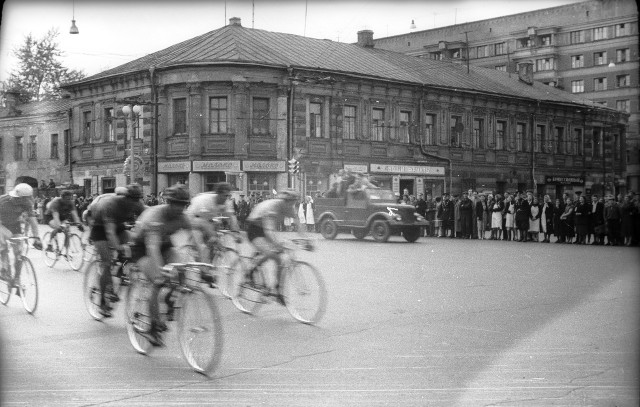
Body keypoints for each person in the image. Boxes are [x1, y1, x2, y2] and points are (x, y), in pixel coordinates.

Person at [130, 184, 199, 346]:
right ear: (168, 202)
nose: (179, 208)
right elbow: (152, 248)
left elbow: (195, 240)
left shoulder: (183, 217)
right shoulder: (155, 217)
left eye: (183, 204)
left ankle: (168, 303)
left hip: (165, 246)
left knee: (181, 270)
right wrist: (161, 271)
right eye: (176, 203)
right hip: (142, 248)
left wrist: (203, 266)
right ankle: (153, 327)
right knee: (158, 281)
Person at [89, 184, 146, 317]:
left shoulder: (137, 204)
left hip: (119, 227)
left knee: (133, 246)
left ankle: (122, 268)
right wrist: (120, 248)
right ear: (125, 197)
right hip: (100, 230)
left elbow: (146, 220)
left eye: (137, 200)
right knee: (107, 263)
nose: (135, 203)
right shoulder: (111, 205)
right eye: (132, 200)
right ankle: (103, 302)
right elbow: (110, 233)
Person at [244, 189, 311, 302]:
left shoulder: (289, 207)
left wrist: (306, 240)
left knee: (279, 259)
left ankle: (277, 290)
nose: (293, 205)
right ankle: (250, 270)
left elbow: (298, 223)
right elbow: (268, 231)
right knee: (272, 253)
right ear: (284, 201)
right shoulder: (273, 208)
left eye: (295, 202)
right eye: (291, 202)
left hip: (266, 229)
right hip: (255, 229)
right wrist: (278, 244)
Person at [186, 182, 240, 263]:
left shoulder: (226, 202)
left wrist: (236, 232)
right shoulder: (205, 200)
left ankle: (208, 262)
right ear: (218, 194)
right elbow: (203, 222)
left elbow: (232, 217)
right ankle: (201, 260)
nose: (226, 198)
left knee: (213, 239)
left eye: (228, 195)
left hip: (207, 220)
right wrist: (213, 235)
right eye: (225, 195)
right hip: (194, 219)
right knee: (202, 246)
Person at [0, 184, 43, 277]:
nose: (18, 201)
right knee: (2, 244)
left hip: (15, 226)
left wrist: (36, 238)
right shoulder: (3, 200)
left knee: (19, 252)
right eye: (17, 199)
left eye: (22, 199)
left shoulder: (26, 204)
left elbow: (33, 220)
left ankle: (16, 278)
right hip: (1, 224)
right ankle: (4, 266)